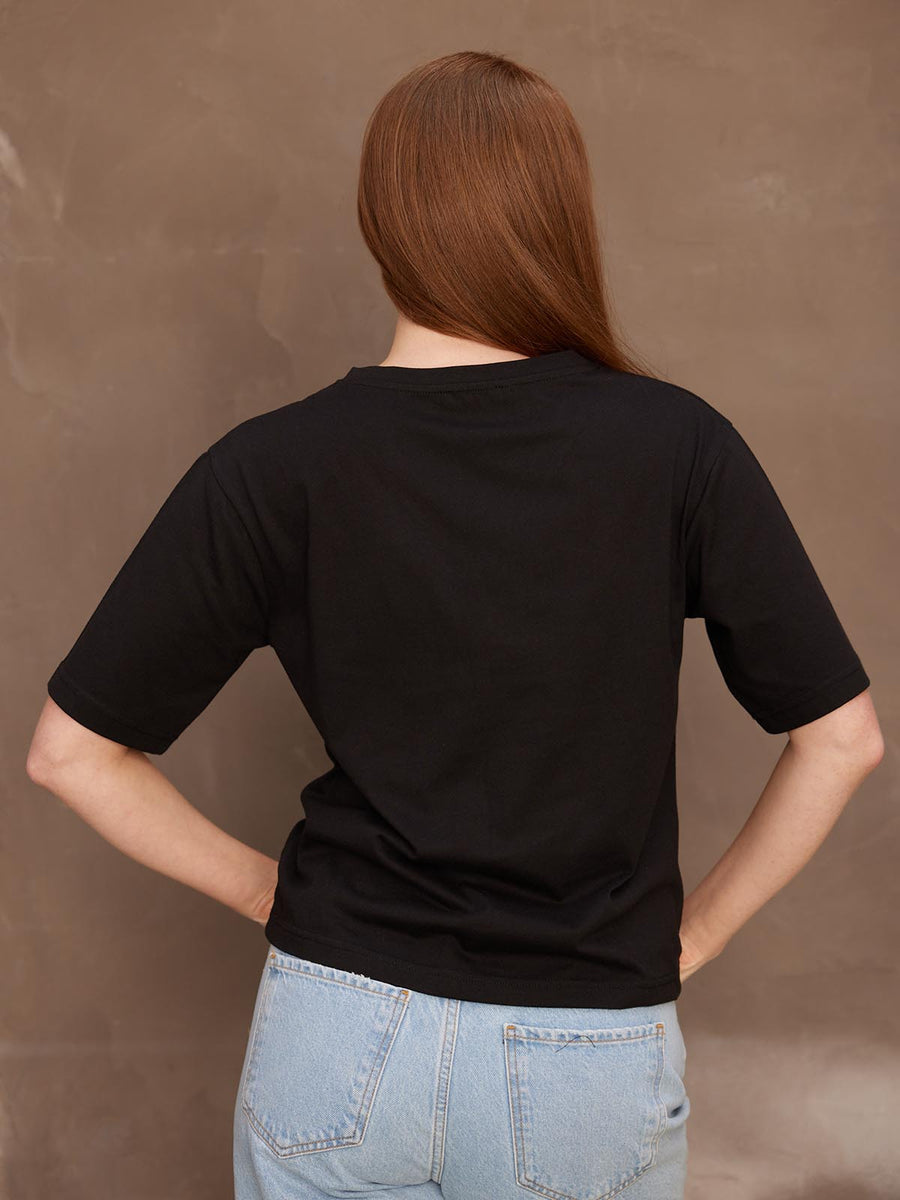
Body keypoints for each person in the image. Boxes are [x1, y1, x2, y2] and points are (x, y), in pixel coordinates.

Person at [27, 49, 882, 1200]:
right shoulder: (678, 450)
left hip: (337, 1035)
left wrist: (269, 895)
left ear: (385, 225)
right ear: (558, 215)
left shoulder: (275, 468)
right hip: (587, 1056)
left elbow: (69, 753)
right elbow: (844, 739)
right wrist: (696, 938)